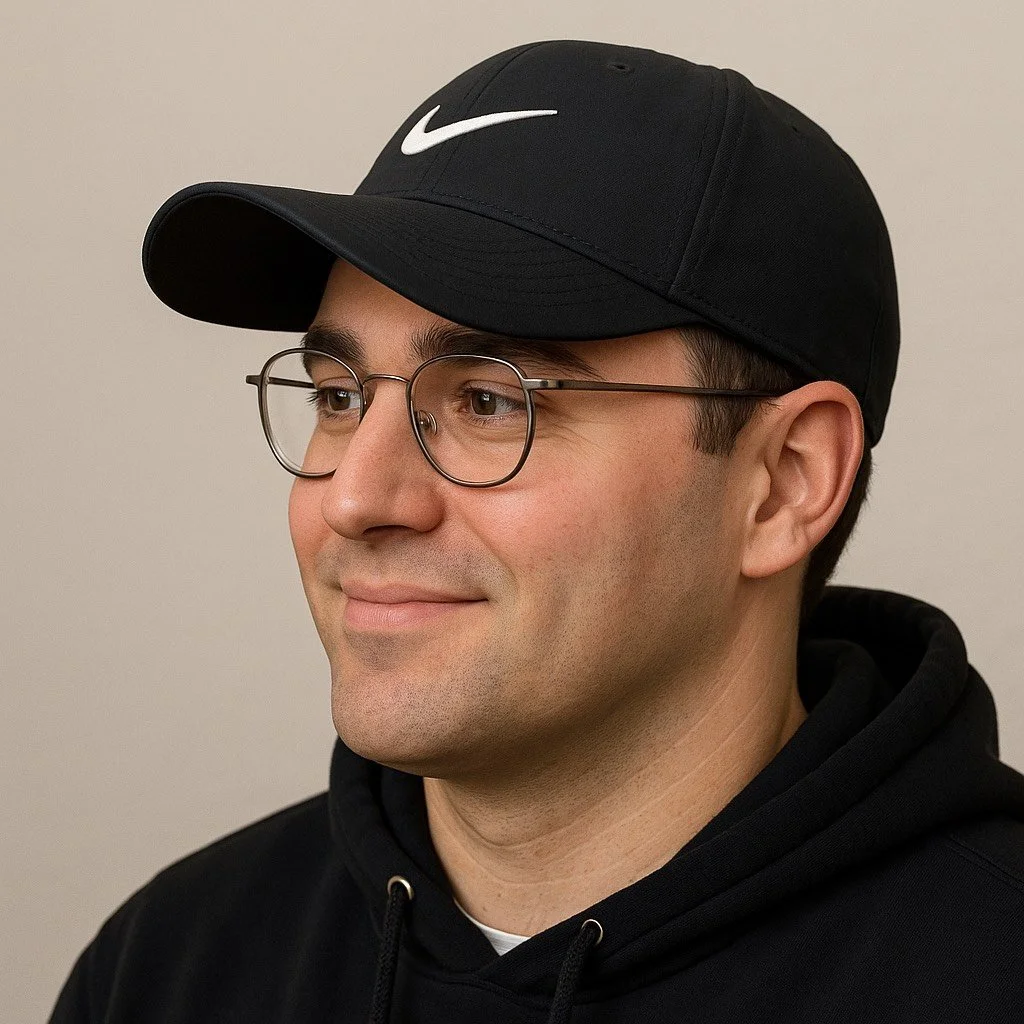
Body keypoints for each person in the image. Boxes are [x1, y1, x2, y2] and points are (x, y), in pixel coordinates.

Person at [49, 39, 1024, 1024]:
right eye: (339, 395)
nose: (355, 497)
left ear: (781, 485)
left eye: (486, 399)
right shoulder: (170, 968)